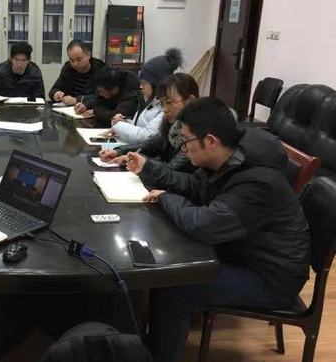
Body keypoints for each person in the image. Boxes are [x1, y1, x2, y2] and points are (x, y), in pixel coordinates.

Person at [124, 97, 310, 362]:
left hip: (271, 278)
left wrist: (165, 197)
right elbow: (195, 187)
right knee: (165, 266)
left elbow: (202, 225)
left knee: (174, 290)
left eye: (186, 141)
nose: (183, 148)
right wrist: (149, 166)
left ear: (210, 141)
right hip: (243, 252)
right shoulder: (230, 156)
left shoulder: (259, 182)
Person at [99, 73, 199, 174]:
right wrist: (119, 152)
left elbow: (173, 168)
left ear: (190, 101)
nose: (164, 109)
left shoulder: (197, 130)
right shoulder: (172, 124)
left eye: (169, 102)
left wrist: (140, 161)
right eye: (162, 104)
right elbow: (151, 145)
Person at [108, 48, 182, 146]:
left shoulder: (165, 109)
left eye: (144, 83)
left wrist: (118, 126)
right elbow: (139, 126)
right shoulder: (149, 101)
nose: (140, 86)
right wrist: (124, 121)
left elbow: (146, 136)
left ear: (156, 84)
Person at [74, 68, 141, 125]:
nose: (99, 94)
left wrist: (96, 111)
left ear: (115, 90)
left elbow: (115, 116)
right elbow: (101, 99)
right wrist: (86, 105)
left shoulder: (132, 95)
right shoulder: (114, 82)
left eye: (101, 91)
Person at [48, 40, 106, 105]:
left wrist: (78, 99)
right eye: (72, 60)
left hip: (92, 109)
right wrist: (56, 94)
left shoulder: (101, 69)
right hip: (70, 109)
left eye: (79, 60)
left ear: (89, 55)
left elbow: (104, 97)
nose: (75, 64)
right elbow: (53, 90)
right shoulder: (68, 69)